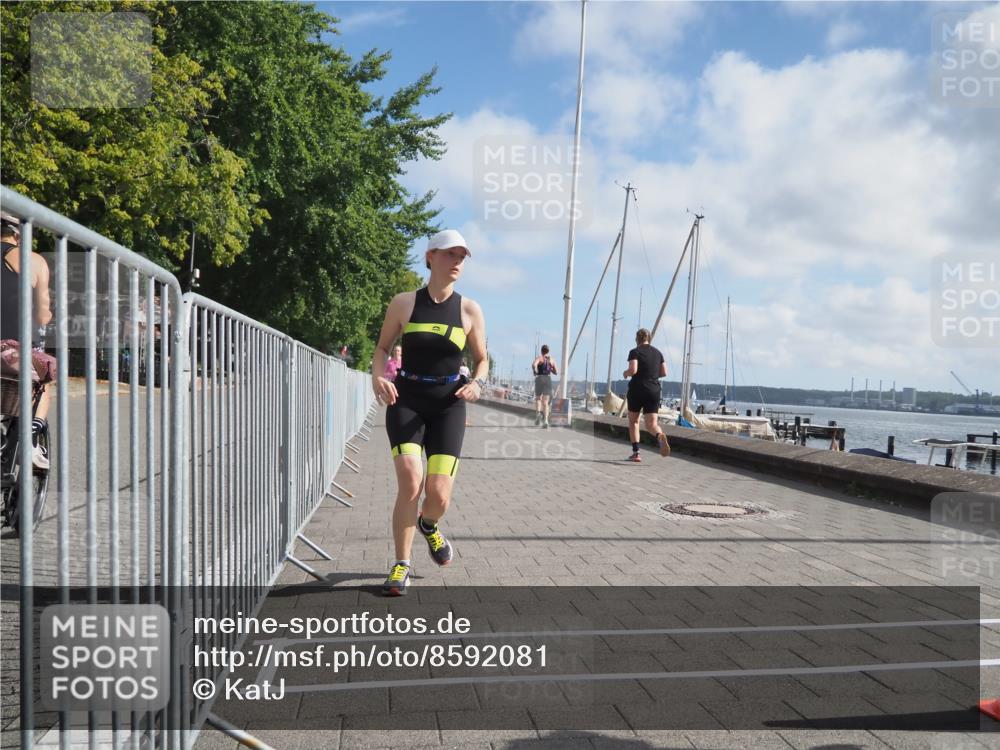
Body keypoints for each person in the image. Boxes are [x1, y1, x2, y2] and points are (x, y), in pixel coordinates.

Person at [371, 229, 488, 596]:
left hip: (448, 405)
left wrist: (478, 383)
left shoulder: (469, 309)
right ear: (431, 256)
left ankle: (429, 524)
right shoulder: (404, 303)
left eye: (462, 257)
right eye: (451, 254)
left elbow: (482, 359)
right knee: (410, 480)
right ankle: (401, 565)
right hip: (406, 400)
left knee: (438, 496)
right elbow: (382, 348)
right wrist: (377, 377)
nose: (457, 262)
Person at [0, 212, 55, 469]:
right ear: (19, 234)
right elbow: (42, 316)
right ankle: (30, 444)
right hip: (11, 352)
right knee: (45, 381)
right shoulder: (33, 261)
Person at [622, 328, 670, 462]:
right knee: (651, 424)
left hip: (637, 389)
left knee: (634, 421)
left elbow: (633, 370)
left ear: (637, 339)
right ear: (649, 338)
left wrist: (626, 373)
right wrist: (651, 374)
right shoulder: (658, 353)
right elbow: (664, 372)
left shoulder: (635, 351)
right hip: (653, 390)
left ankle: (636, 453)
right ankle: (659, 435)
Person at [531, 345, 557, 428]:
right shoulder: (552, 360)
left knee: (538, 398)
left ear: (541, 351)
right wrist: (550, 368)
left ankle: (538, 413)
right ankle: (545, 420)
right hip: (548, 379)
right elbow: (556, 372)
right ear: (548, 351)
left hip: (540, 378)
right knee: (545, 402)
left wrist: (535, 371)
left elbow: (533, 365)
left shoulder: (540, 358)